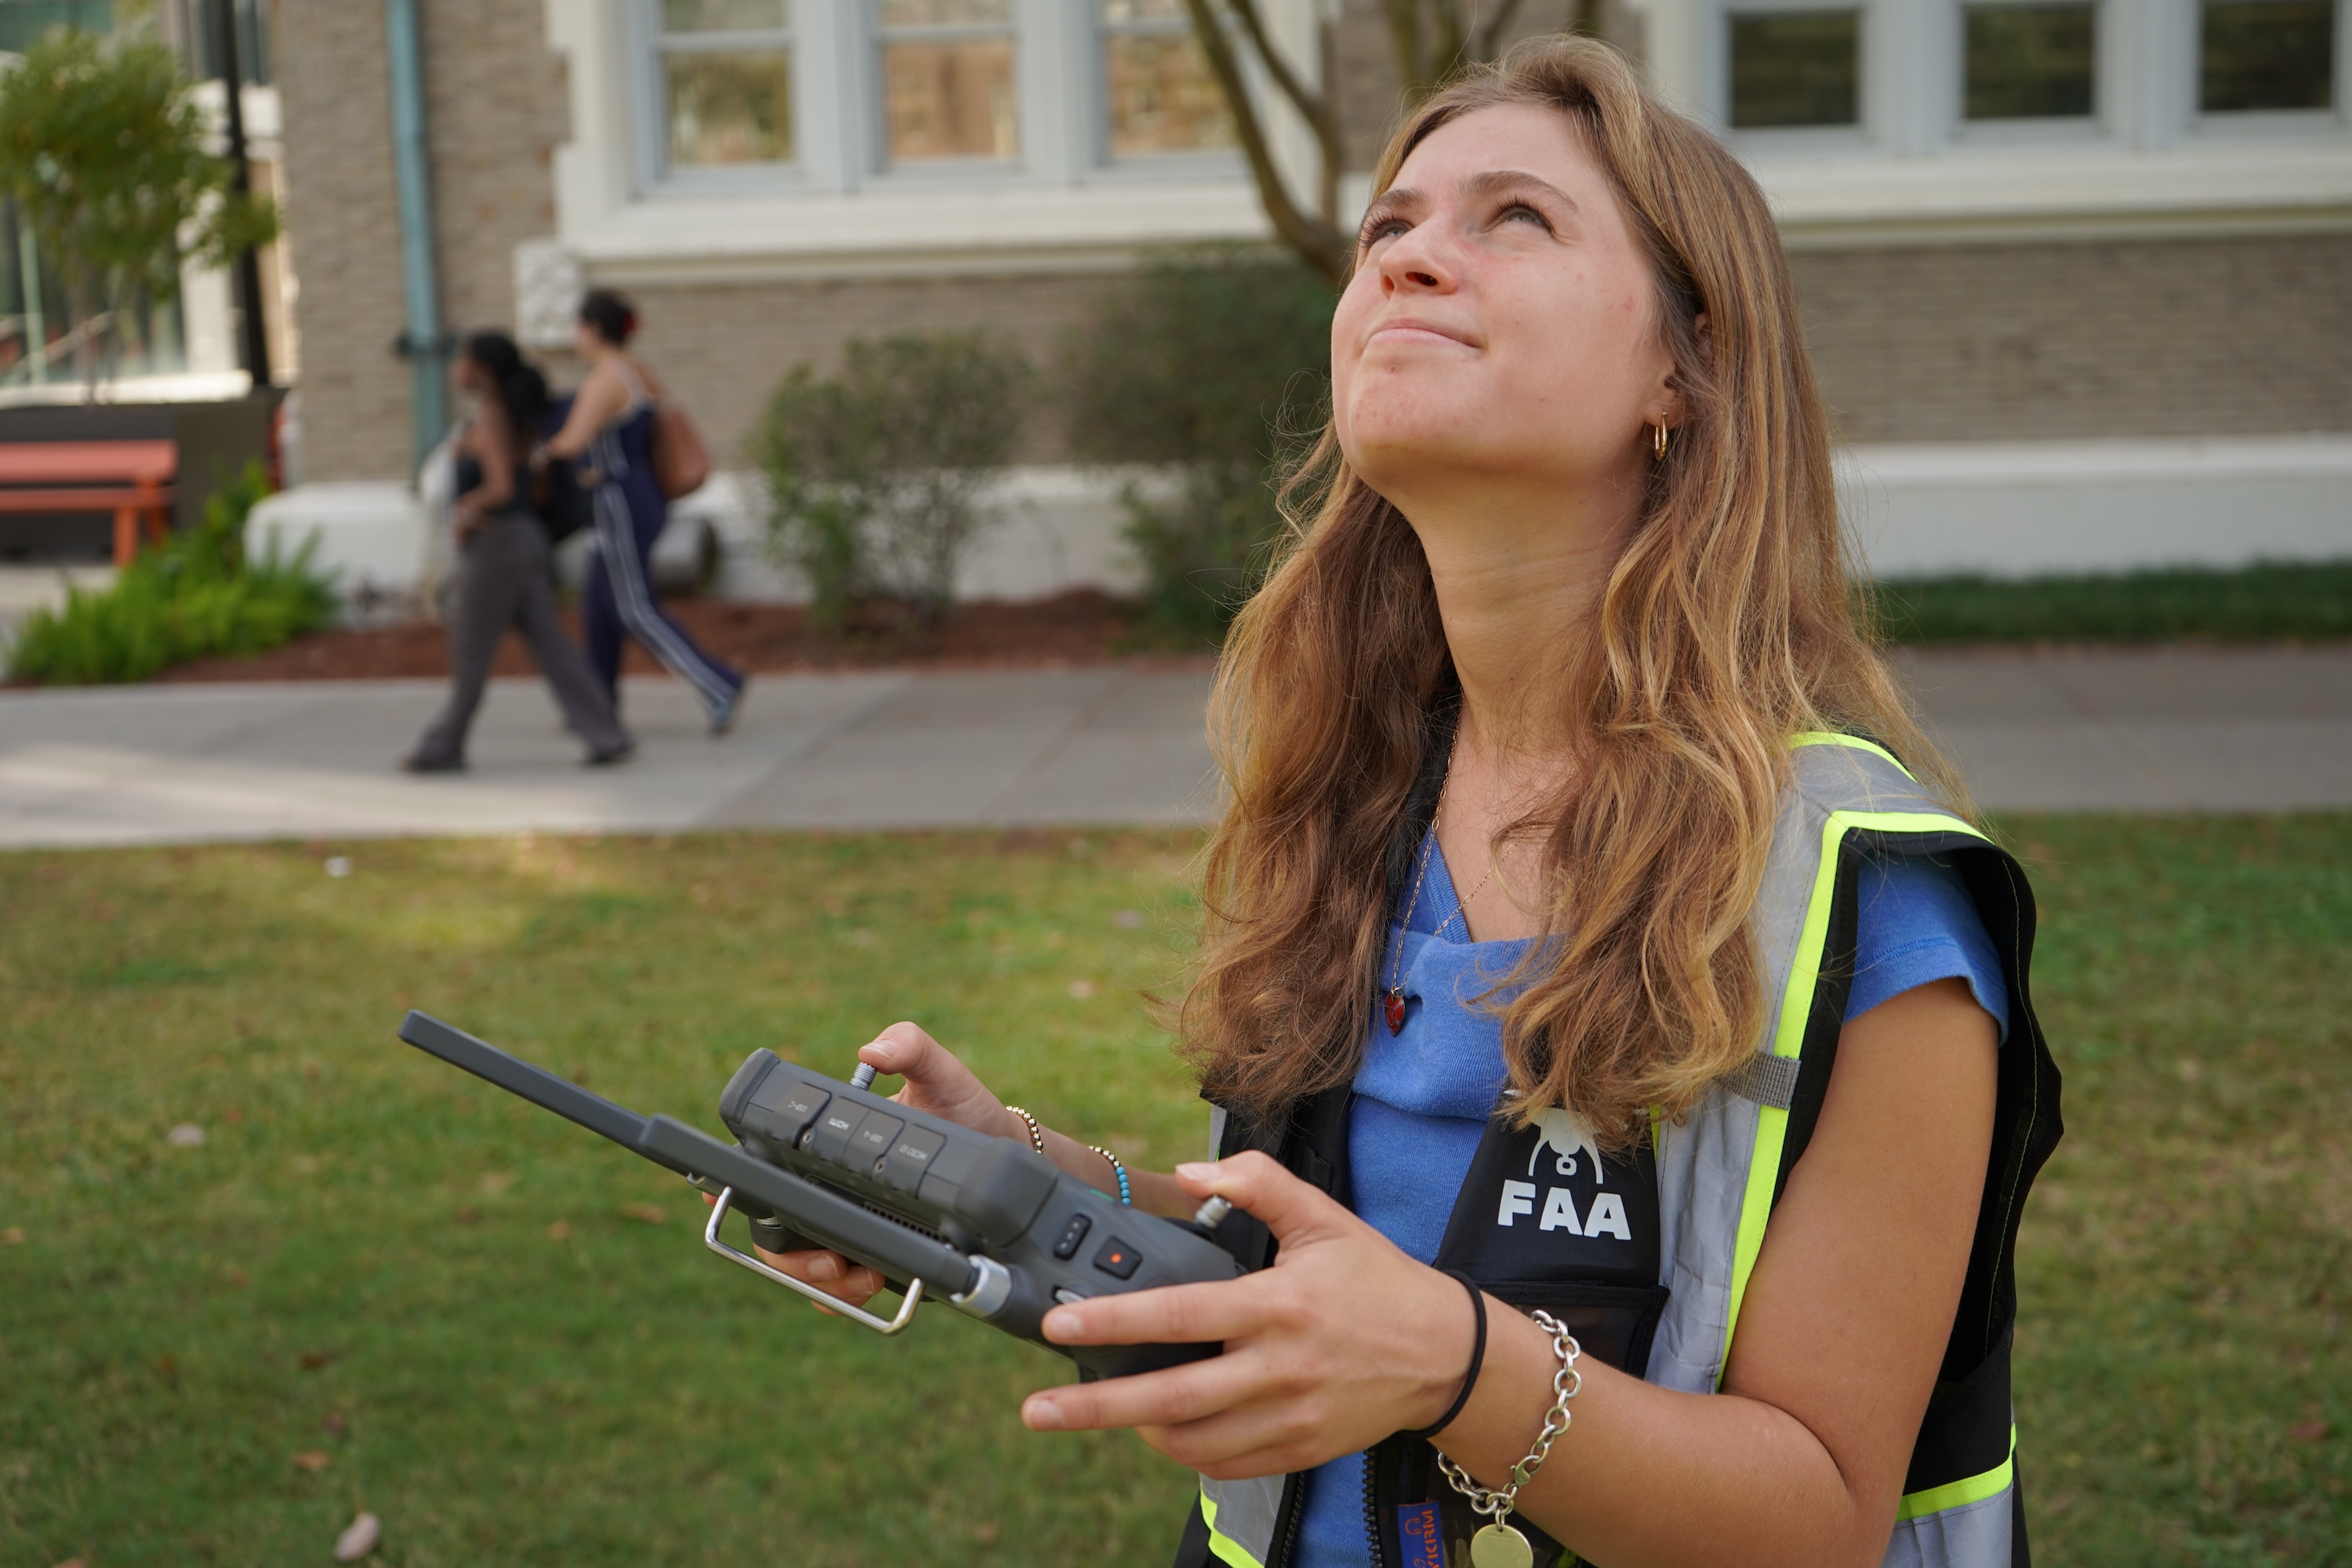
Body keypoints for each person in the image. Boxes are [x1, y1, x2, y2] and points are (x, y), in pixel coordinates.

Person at [750, 38, 2060, 1568]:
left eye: (1517, 219)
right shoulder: (1357, 793)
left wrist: (1451, 1362)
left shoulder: (1872, 902)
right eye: (1390, 227)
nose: (1414, 256)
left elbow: (1817, 1513)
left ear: (1681, 373)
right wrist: (1020, 1180)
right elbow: (1314, 1252)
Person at [404, 332, 633, 773]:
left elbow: (501, 488)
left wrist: (465, 508)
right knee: (549, 641)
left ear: (483, 372)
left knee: (471, 648)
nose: (456, 371)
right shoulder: (510, 415)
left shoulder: (493, 419)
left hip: (499, 544)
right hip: (525, 540)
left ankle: (443, 745)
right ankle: (606, 733)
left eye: (462, 360)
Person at [541, 290, 746, 734]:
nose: (576, 338)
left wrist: (532, 453)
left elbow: (571, 442)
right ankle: (596, 705)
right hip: (641, 494)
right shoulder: (639, 373)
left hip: (618, 500)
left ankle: (718, 683)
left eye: (578, 328)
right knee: (599, 605)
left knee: (634, 607)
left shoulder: (605, 379)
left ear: (594, 330)